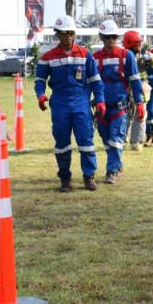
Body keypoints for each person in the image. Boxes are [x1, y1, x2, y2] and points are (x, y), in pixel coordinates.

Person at [35, 16, 104, 192]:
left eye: (71, 33)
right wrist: (41, 95)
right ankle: (65, 178)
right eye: (64, 33)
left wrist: (100, 100)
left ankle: (89, 176)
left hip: (81, 103)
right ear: (58, 34)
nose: (68, 36)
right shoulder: (47, 57)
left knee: (86, 141)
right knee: (62, 143)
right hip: (60, 104)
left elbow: (95, 80)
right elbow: (40, 80)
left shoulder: (85, 54)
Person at [91, 20, 144, 184]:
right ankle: (117, 165)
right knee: (107, 141)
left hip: (120, 108)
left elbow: (135, 80)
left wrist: (140, 102)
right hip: (101, 109)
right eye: (107, 37)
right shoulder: (94, 58)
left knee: (116, 139)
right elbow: (89, 83)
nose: (111, 40)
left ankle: (112, 171)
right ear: (101, 37)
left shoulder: (127, 56)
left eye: (114, 37)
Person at [122, 30, 153, 151]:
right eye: (137, 43)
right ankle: (130, 140)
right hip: (129, 88)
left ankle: (133, 141)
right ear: (131, 44)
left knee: (137, 115)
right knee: (129, 115)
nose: (140, 45)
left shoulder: (143, 55)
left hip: (140, 88)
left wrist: (150, 58)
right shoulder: (126, 56)